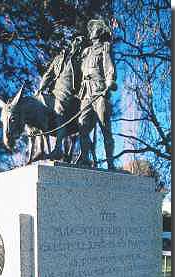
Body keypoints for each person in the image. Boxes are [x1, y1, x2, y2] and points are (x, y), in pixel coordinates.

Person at [76, 19, 117, 169]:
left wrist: (109, 83)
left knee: (105, 128)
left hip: (100, 91)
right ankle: (85, 159)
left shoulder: (105, 49)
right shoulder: (86, 52)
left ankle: (110, 163)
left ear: (99, 32)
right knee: (82, 125)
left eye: (94, 28)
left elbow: (109, 69)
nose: (90, 30)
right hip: (86, 93)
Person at [36, 36, 85, 159]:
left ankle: (58, 149)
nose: (76, 44)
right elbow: (49, 74)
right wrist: (41, 88)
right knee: (36, 106)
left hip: (69, 93)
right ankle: (39, 148)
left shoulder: (81, 60)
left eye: (79, 42)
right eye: (75, 41)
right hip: (54, 92)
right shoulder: (58, 59)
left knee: (59, 109)